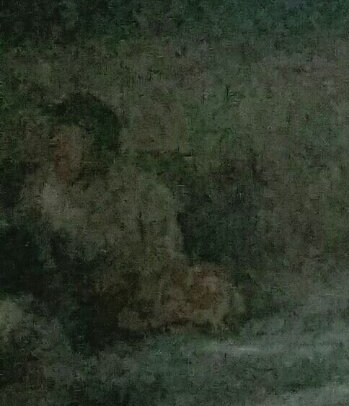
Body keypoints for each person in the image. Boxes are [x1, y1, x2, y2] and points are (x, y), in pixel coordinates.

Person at [17, 96, 240, 343]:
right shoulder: (42, 193)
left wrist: (127, 277)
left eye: (65, 137)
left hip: (131, 307)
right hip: (66, 305)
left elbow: (166, 260)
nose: (54, 144)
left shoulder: (144, 193)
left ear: (95, 143)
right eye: (54, 137)